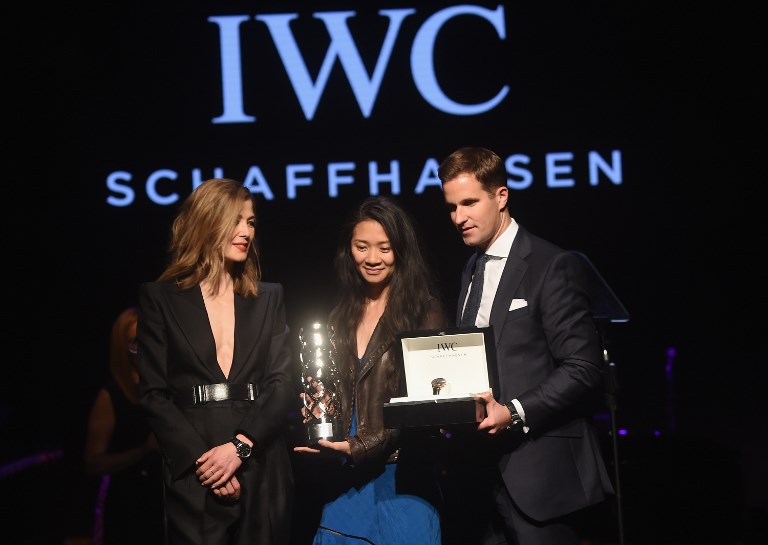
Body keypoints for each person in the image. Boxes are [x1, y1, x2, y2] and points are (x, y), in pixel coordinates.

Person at [436, 147, 614, 545]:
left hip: (543, 477)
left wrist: (514, 412)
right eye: (451, 207)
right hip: (483, 480)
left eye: (469, 203)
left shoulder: (552, 264)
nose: (459, 217)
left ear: (501, 196)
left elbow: (583, 367)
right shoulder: (470, 268)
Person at [137, 178, 295, 545]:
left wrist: (241, 446)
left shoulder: (268, 297)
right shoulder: (160, 298)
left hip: (260, 458)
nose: (246, 232)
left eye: (250, 222)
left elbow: (282, 382)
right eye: (235, 220)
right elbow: (153, 394)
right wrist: (206, 463)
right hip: (197, 468)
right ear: (207, 222)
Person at [294, 196, 447, 545]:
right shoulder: (340, 316)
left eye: (384, 248)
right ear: (349, 249)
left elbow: (420, 406)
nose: (372, 258)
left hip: (402, 479)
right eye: (361, 247)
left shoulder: (425, 311)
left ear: (401, 251)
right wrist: (321, 409)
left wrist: (361, 446)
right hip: (346, 482)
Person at [83, 306, 164, 545]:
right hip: (128, 507)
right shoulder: (111, 396)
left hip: (163, 503)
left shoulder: (164, 390)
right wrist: (143, 450)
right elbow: (93, 463)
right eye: (136, 341)